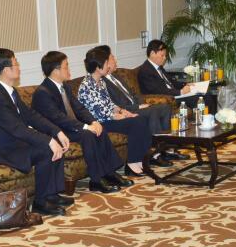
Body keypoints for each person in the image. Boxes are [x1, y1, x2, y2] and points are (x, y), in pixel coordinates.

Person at [0, 49, 70, 217]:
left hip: (15, 142)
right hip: (4, 149)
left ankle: (52, 194)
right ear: (6, 70)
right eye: (16, 63)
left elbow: (31, 116)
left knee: (54, 142)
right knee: (47, 149)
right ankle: (40, 203)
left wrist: (56, 131)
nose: (19, 67)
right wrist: (48, 140)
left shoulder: (9, 91)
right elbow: (17, 128)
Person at [30, 51, 131, 194]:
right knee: (87, 134)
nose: (69, 69)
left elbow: (79, 108)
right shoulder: (43, 92)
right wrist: (84, 126)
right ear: (56, 70)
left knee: (99, 129)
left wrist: (93, 121)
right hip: (55, 132)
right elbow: (58, 117)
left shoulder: (64, 86)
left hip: (69, 128)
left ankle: (110, 173)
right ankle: (96, 181)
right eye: (66, 66)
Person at [78, 46, 162, 177]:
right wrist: (121, 116)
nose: (108, 66)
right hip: (99, 123)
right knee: (136, 122)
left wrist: (123, 111)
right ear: (98, 67)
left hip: (108, 118)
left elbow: (110, 104)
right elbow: (100, 113)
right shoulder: (87, 85)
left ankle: (141, 159)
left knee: (139, 119)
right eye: (106, 63)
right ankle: (132, 163)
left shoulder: (101, 81)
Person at [92, 44, 182, 161]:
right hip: (127, 110)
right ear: (106, 62)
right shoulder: (102, 82)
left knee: (165, 107)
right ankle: (155, 153)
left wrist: (141, 103)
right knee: (153, 112)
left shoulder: (117, 76)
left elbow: (133, 94)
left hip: (135, 106)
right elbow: (115, 105)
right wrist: (138, 106)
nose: (115, 60)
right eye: (112, 58)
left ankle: (167, 149)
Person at [137, 39, 216, 112]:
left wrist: (185, 84)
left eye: (165, 56)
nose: (165, 58)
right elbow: (158, 91)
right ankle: (205, 119)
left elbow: (171, 82)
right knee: (199, 98)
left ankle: (209, 119)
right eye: (162, 55)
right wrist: (181, 92)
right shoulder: (145, 71)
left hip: (174, 94)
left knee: (206, 94)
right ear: (152, 53)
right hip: (167, 98)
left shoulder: (158, 67)